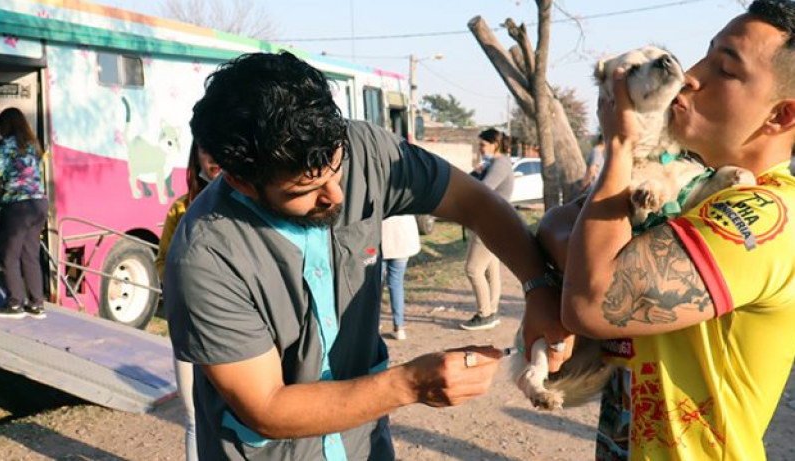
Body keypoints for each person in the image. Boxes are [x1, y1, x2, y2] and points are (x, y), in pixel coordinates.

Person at [164, 51, 559, 461]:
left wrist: (539, 290)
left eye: (337, 170)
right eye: (306, 191)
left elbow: (474, 201)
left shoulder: (365, 149)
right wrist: (410, 384)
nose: (336, 195)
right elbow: (266, 406)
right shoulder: (204, 256)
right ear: (241, 182)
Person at [528, 1, 795, 459]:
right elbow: (554, 223)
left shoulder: (764, 215)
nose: (690, 76)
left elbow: (590, 301)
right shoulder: (691, 181)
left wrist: (619, 145)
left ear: (781, 117)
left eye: (725, 70)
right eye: (704, 54)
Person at [155, 141, 221, 461]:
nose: (215, 159)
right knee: (194, 417)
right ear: (196, 157)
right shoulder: (181, 209)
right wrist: (182, 288)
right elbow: (162, 260)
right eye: (207, 150)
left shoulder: (250, 207)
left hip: (234, 330)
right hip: (189, 330)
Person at [0, 108, 48, 320]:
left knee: (8, 256)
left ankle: (14, 304)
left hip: (18, 207)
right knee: (30, 255)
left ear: (6, 126)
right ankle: (36, 304)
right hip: (39, 204)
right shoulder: (33, 145)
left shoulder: (8, 144)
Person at [460, 128, 514, 331]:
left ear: (495, 145)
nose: (481, 149)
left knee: (473, 269)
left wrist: (475, 174)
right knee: (491, 269)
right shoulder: (499, 163)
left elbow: (482, 191)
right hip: (496, 221)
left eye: (483, 145)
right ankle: (491, 312)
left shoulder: (499, 164)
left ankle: (485, 314)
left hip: (489, 222)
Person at [380, 214, 421, 341]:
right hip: (403, 238)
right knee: (396, 284)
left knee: (376, 285)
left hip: (380, 238)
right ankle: (399, 327)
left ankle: (373, 324)